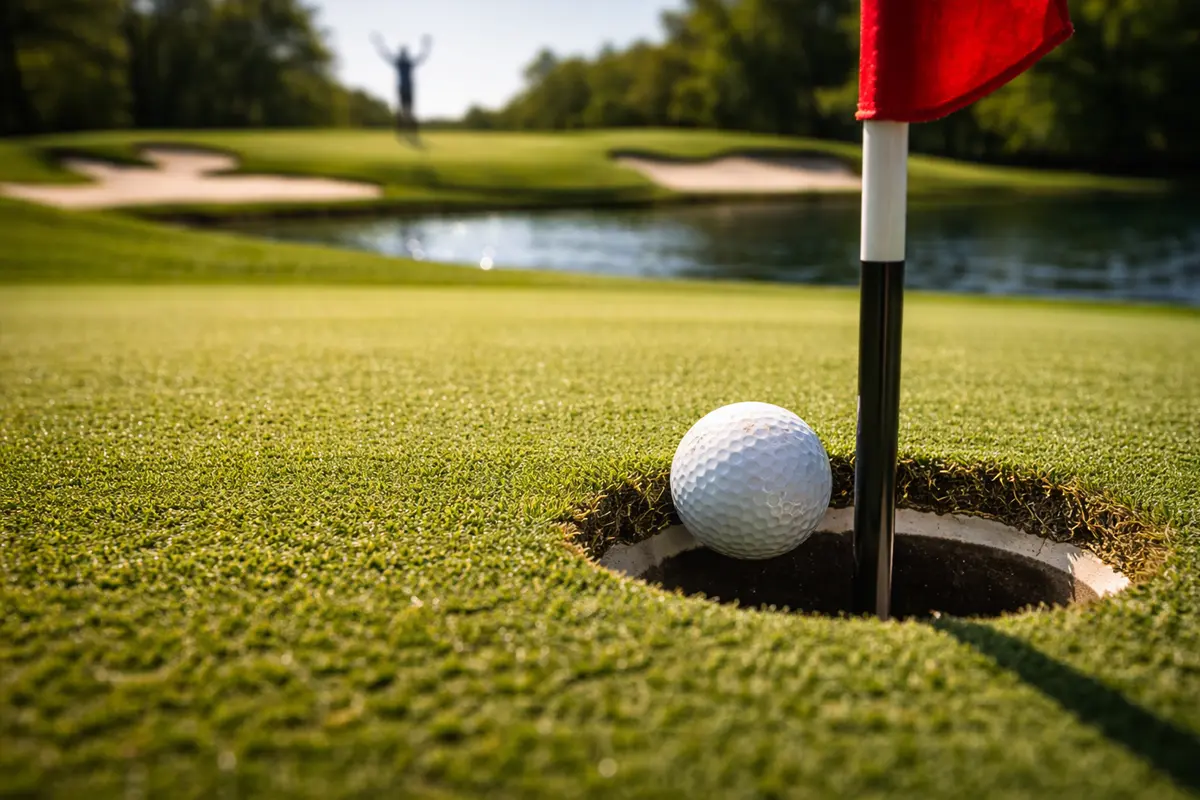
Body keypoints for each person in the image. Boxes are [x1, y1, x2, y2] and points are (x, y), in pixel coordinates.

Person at [371, 33, 432, 140]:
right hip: (404, 88)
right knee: (403, 111)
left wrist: (426, 47)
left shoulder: (405, 62)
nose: (403, 54)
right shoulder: (401, 63)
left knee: (408, 111)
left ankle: (409, 132)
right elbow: (386, 55)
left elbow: (421, 57)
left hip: (406, 88)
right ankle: (402, 132)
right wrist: (379, 44)